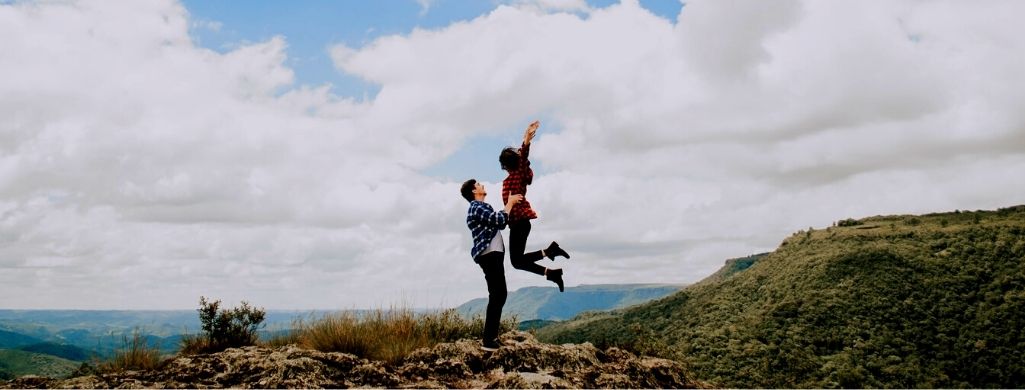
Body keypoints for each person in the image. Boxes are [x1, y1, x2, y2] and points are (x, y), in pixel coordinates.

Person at [500, 120, 570, 292]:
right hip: (516, 224)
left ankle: (550, 255)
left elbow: (523, 157)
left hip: (521, 222)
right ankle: (551, 267)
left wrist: (526, 140)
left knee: (516, 261)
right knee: (517, 262)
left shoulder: (519, 173)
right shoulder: (508, 180)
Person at [461, 179, 522, 351]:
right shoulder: (476, 207)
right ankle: (489, 340)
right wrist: (509, 203)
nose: (482, 185)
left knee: (499, 294)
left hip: (493, 254)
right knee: (498, 294)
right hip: (489, 254)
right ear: (474, 191)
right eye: (479, 184)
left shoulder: (482, 207)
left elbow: (501, 222)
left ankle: (491, 337)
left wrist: (506, 210)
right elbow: (498, 219)